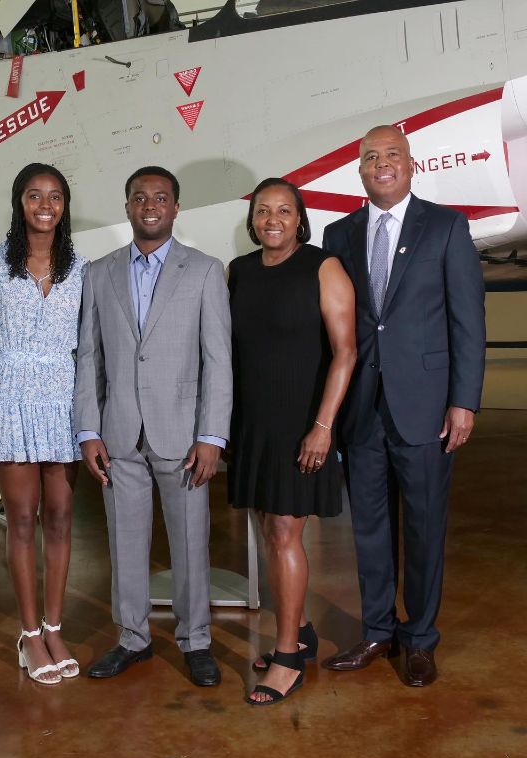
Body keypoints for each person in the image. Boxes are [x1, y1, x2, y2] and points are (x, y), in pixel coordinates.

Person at [322, 125, 486, 686]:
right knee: (367, 527)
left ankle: (419, 639)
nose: (381, 164)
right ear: (360, 171)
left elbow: (468, 322)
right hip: (362, 409)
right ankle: (376, 631)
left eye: (392, 155)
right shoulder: (338, 234)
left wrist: (463, 402)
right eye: (370, 157)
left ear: (411, 165)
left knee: (421, 528)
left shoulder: (446, 226)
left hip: (425, 407)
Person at [74, 166, 232, 686]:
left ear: (175, 207)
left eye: (160, 197)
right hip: (119, 435)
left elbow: (218, 362)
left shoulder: (205, 271)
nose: (149, 205)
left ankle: (197, 641)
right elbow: (89, 359)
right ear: (127, 207)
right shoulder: (99, 272)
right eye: (139, 196)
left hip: (183, 437)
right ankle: (132, 638)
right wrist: (88, 430)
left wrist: (211, 437)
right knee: (125, 542)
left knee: (191, 542)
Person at [228, 179, 356, 705]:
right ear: (253, 220)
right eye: (263, 211)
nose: (272, 219)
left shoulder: (323, 267)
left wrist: (323, 427)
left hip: (303, 424)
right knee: (266, 526)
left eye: (284, 210)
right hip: (253, 422)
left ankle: (285, 658)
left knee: (284, 532)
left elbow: (345, 351)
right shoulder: (239, 271)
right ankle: (300, 630)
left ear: (299, 218)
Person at [0, 163, 85, 685]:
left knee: (61, 518)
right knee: (21, 519)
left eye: (56, 196)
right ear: (19, 202)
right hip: (12, 399)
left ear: (65, 206)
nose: (46, 204)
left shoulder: (81, 269)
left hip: (64, 402)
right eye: (35, 195)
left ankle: (54, 625)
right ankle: (28, 634)